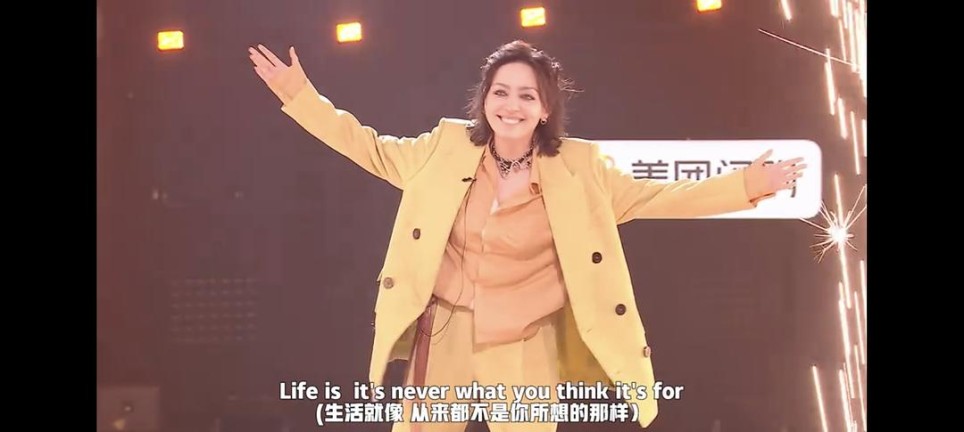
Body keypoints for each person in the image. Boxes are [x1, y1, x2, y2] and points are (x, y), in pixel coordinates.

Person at [248, 40, 805, 431]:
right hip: (443, 330)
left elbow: (664, 197)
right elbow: (367, 147)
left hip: (523, 340)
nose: (511, 106)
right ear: (484, 99)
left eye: (526, 96)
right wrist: (300, 95)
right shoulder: (444, 148)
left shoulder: (581, 169)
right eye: (501, 92)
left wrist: (749, 185)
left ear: (544, 110)